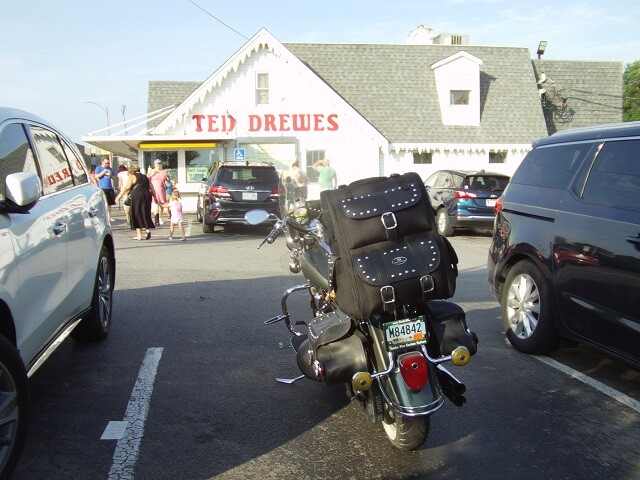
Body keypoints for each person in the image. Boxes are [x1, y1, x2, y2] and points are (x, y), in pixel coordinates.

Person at [115, 165, 155, 240]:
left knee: (136, 213)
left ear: (131, 170)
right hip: (147, 195)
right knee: (145, 212)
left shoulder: (133, 176)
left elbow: (127, 188)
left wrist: (118, 197)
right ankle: (147, 230)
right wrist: (155, 197)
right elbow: (151, 187)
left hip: (137, 195)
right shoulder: (145, 177)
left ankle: (139, 235)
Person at [94, 156, 116, 222]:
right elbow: (96, 176)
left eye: (108, 163)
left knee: (109, 204)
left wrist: (110, 175)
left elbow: (114, 178)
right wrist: (103, 172)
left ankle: (109, 217)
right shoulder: (99, 168)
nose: (107, 164)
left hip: (109, 187)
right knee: (103, 203)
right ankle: (103, 217)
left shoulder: (110, 168)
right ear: (102, 162)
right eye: (106, 163)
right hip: (102, 187)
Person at [149, 159, 170, 225]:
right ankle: (156, 219)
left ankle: (159, 218)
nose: (159, 165)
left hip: (161, 190)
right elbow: (147, 178)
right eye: (157, 164)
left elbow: (168, 180)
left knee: (161, 204)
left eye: (160, 164)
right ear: (155, 164)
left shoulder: (163, 172)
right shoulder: (152, 171)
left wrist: (167, 178)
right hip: (153, 190)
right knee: (155, 204)